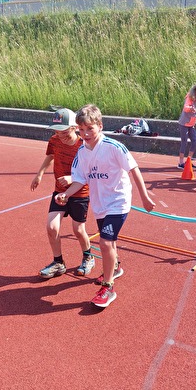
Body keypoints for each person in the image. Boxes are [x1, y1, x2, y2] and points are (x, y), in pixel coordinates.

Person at [55, 104, 156, 308]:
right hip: (100, 204)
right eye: (81, 130)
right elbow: (79, 180)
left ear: (100, 126)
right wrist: (65, 194)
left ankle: (108, 287)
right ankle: (116, 267)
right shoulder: (82, 153)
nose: (85, 134)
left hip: (118, 202)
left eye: (89, 129)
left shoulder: (113, 147)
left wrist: (144, 197)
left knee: (105, 242)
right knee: (109, 241)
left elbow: (134, 169)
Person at [32, 108, 95, 279]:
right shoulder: (54, 140)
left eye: (64, 132)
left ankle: (88, 257)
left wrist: (71, 177)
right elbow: (50, 156)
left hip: (80, 193)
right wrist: (39, 174)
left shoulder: (84, 145)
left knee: (78, 229)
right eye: (56, 131)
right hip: (59, 192)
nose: (60, 135)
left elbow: (90, 172)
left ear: (75, 127)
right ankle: (58, 262)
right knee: (51, 227)